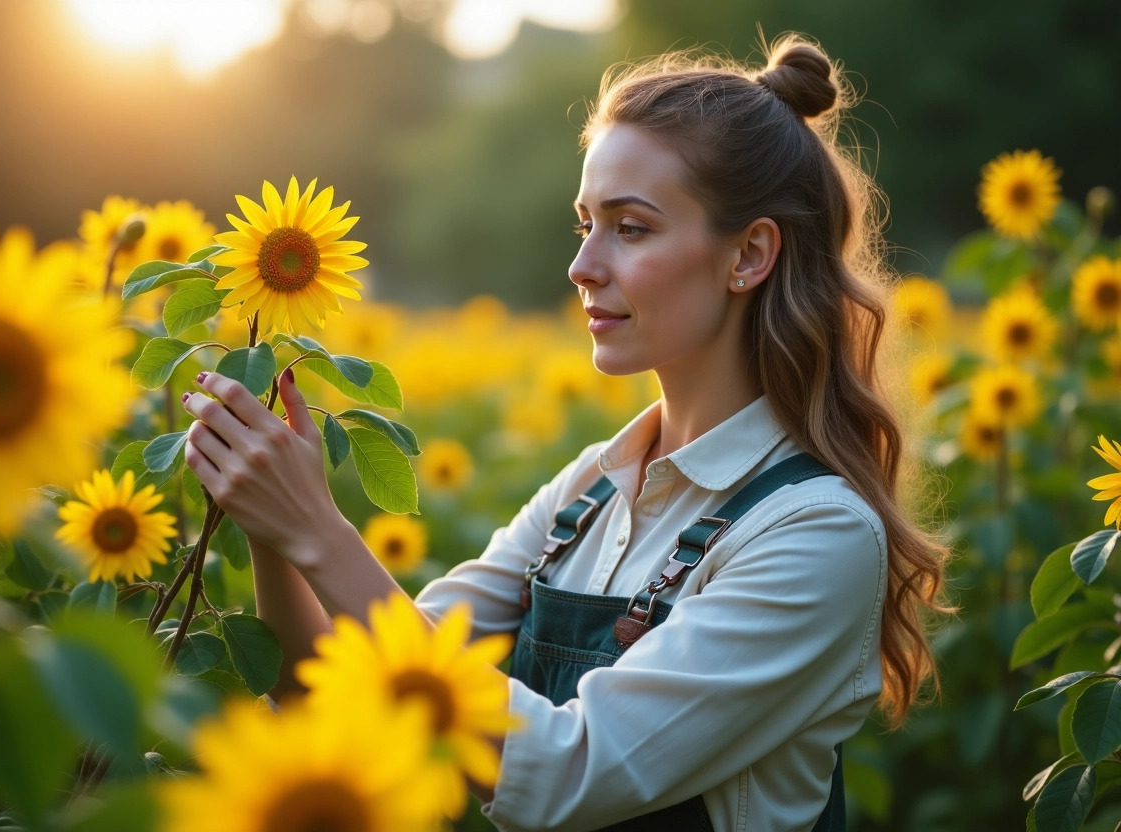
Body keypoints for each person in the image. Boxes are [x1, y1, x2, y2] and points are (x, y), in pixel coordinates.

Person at [180, 34, 948, 832]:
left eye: (632, 228)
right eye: (585, 224)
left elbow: (569, 770)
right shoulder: (590, 489)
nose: (583, 264)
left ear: (749, 254)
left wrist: (317, 527)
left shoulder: (816, 532)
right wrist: (269, 517)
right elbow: (349, 693)